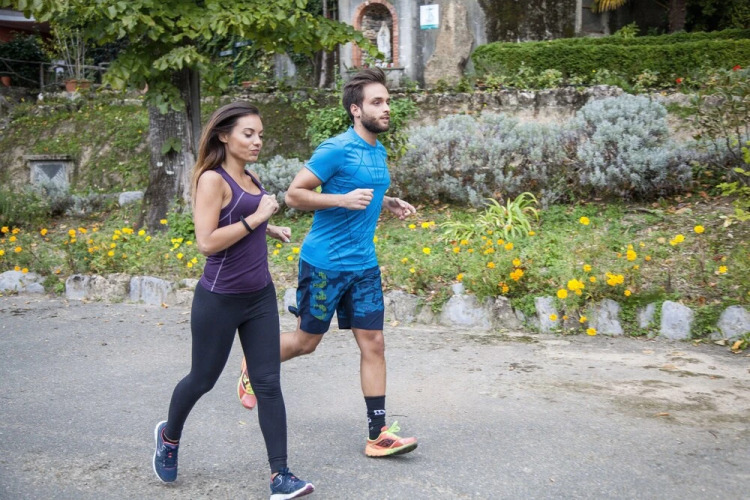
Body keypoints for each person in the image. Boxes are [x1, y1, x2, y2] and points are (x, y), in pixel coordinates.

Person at [237, 67, 418, 458]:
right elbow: (293, 195)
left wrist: (388, 201)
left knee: (374, 343)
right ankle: (254, 362)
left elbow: (364, 191)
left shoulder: (378, 151)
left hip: (363, 265)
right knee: (306, 343)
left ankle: (378, 434)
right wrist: (341, 200)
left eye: (387, 101)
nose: (386, 108)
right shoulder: (336, 149)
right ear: (356, 109)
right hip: (324, 264)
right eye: (377, 102)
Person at [152, 101, 315, 500]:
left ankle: (280, 476)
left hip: (259, 296)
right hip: (220, 299)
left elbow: (239, 217)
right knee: (202, 379)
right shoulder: (212, 179)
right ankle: (169, 437)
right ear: (224, 136)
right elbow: (207, 241)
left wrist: (269, 228)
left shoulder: (250, 174)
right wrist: (257, 219)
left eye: (260, 134)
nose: (257, 141)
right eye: (248, 133)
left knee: (268, 383)